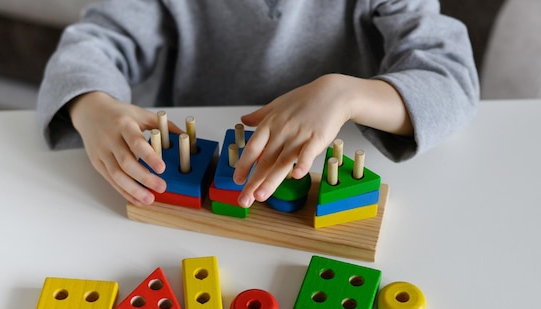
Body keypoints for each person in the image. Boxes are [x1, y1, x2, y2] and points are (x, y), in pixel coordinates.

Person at [37, 0, 479, 208]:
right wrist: (91, 106)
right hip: (197, 167)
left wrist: (348, 94)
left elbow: (451, 78)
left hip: (325, 166)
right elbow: (95, 42)